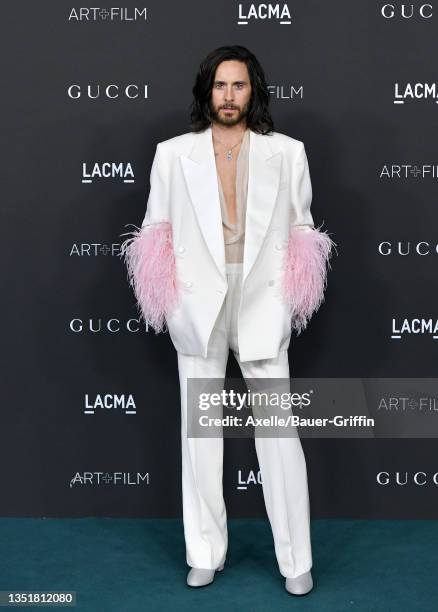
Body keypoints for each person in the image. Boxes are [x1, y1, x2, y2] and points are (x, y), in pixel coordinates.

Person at [120, 45, 336, 596]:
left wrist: (289, 303)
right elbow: (155, 234)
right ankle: (204, 552)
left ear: (253, 91)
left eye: (239, 86)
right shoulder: (173, 154)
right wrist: (171, 306)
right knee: (201, 434)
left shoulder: (287, 153)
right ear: (206, 91)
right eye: (221, 85)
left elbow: (303, 235)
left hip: (263, 299)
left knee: (280, 434)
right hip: (198, 303)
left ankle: (297, 561)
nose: (229, 96)